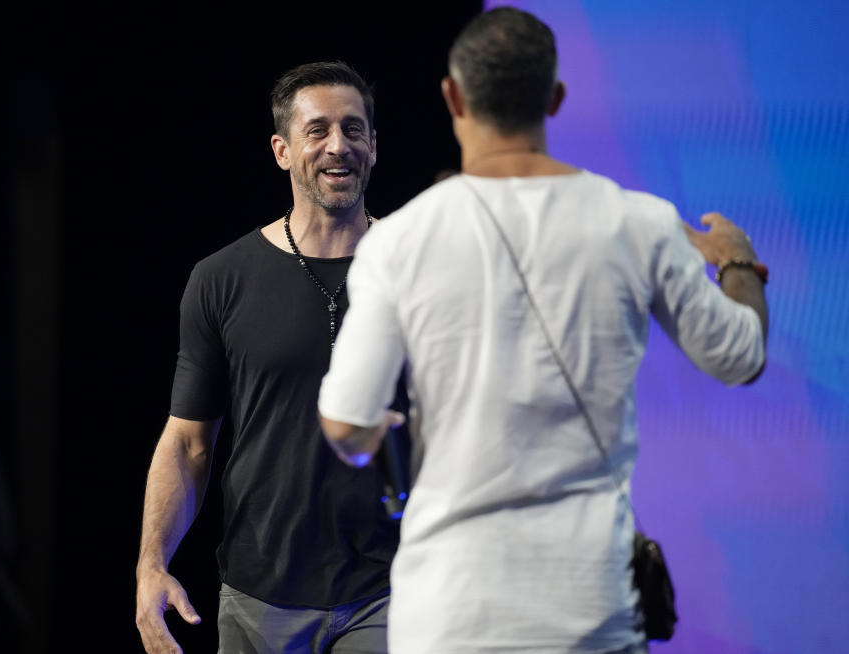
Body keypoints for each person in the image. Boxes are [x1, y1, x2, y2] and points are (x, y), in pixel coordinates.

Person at [318, 8, 768, 654]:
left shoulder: (400, 240)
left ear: (452, 96)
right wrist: (737, 259)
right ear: (555, 98)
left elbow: (344, 424)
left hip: (449, 616)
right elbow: (741, 357)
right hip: (590, 614)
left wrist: (381, 439)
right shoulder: (639, 223)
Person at [135, 61, 400, 654]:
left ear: (375, 147)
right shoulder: (222, 279)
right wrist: (152, 563)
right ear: (282, 150)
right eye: (318, 130)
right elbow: (187, 443)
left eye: (355, 129)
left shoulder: (418, 269)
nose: (339, 145)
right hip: (261, 597)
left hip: (390, 590)